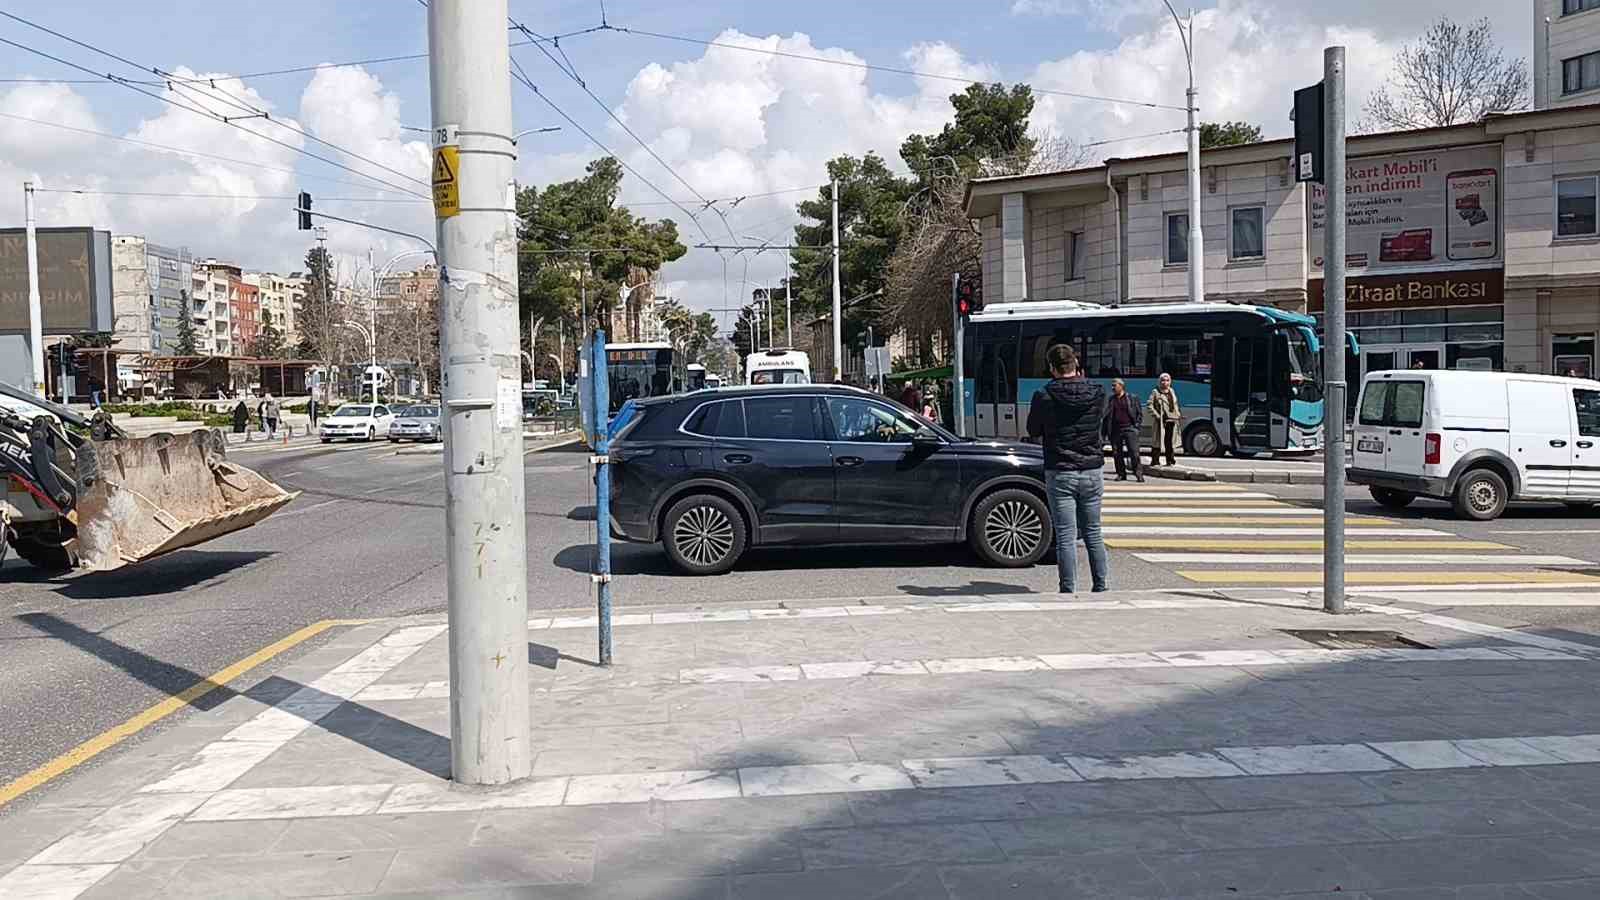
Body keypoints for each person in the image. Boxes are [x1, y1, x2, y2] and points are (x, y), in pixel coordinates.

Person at [1025, 344, 1109, 594]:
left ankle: (1068, 590)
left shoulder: (1044, 395)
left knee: (1066, 536)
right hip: (1092, 468)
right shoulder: (1098, 392)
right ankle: (1102, 587)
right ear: (1076, 364)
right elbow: (1100, 424)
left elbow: (1033, 430)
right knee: (1094, 532)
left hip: (1060, 469)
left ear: (1052, 368)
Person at [1103, 378, 1143, 482]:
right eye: (1112, 386)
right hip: (1116, 429)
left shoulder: (1132, 398)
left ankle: (1138, 474)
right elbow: (1107, 416)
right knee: (1117, 453)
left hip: (1130, 428)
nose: (1112, 388)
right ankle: (1121, 474)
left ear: (1121, 386)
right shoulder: (1111, 399)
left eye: (1114, 385)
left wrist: (1136, 427)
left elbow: (1139, 414)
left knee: (1134, 452)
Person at [1147, 373, 1180, 467]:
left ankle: (1170, 461)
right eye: (1163, 380)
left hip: (1172, 420)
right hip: (1161, 421)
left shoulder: (1172, 391)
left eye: (1167, 380)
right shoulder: (1155, 392)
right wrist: (1157, 416)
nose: (1165, 382)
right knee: (1157, 441)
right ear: (1159, 382)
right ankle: (1155, 461)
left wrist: (1177, 414)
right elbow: (1149, 405)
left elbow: (1175, 404)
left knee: (1170, 442)